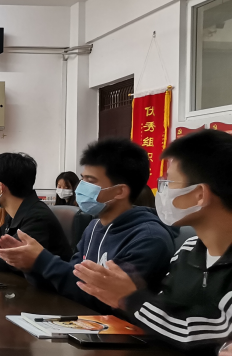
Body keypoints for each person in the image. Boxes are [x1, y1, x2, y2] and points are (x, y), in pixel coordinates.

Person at [74, 130, 232, 354]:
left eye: (170, 182)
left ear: (199, 194)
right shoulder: (188, 250)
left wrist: (131, 299)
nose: (163, 191)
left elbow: (214, 337)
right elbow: (167, 313)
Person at [0, 139, 176, 313]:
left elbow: (105, 300)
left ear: (120, 191)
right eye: (82, 179)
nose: (80, 188)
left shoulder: (149, 239)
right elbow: (73, 281)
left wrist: (41, 260)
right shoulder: (94, 226)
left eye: (91, 181)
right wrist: (29, 265)